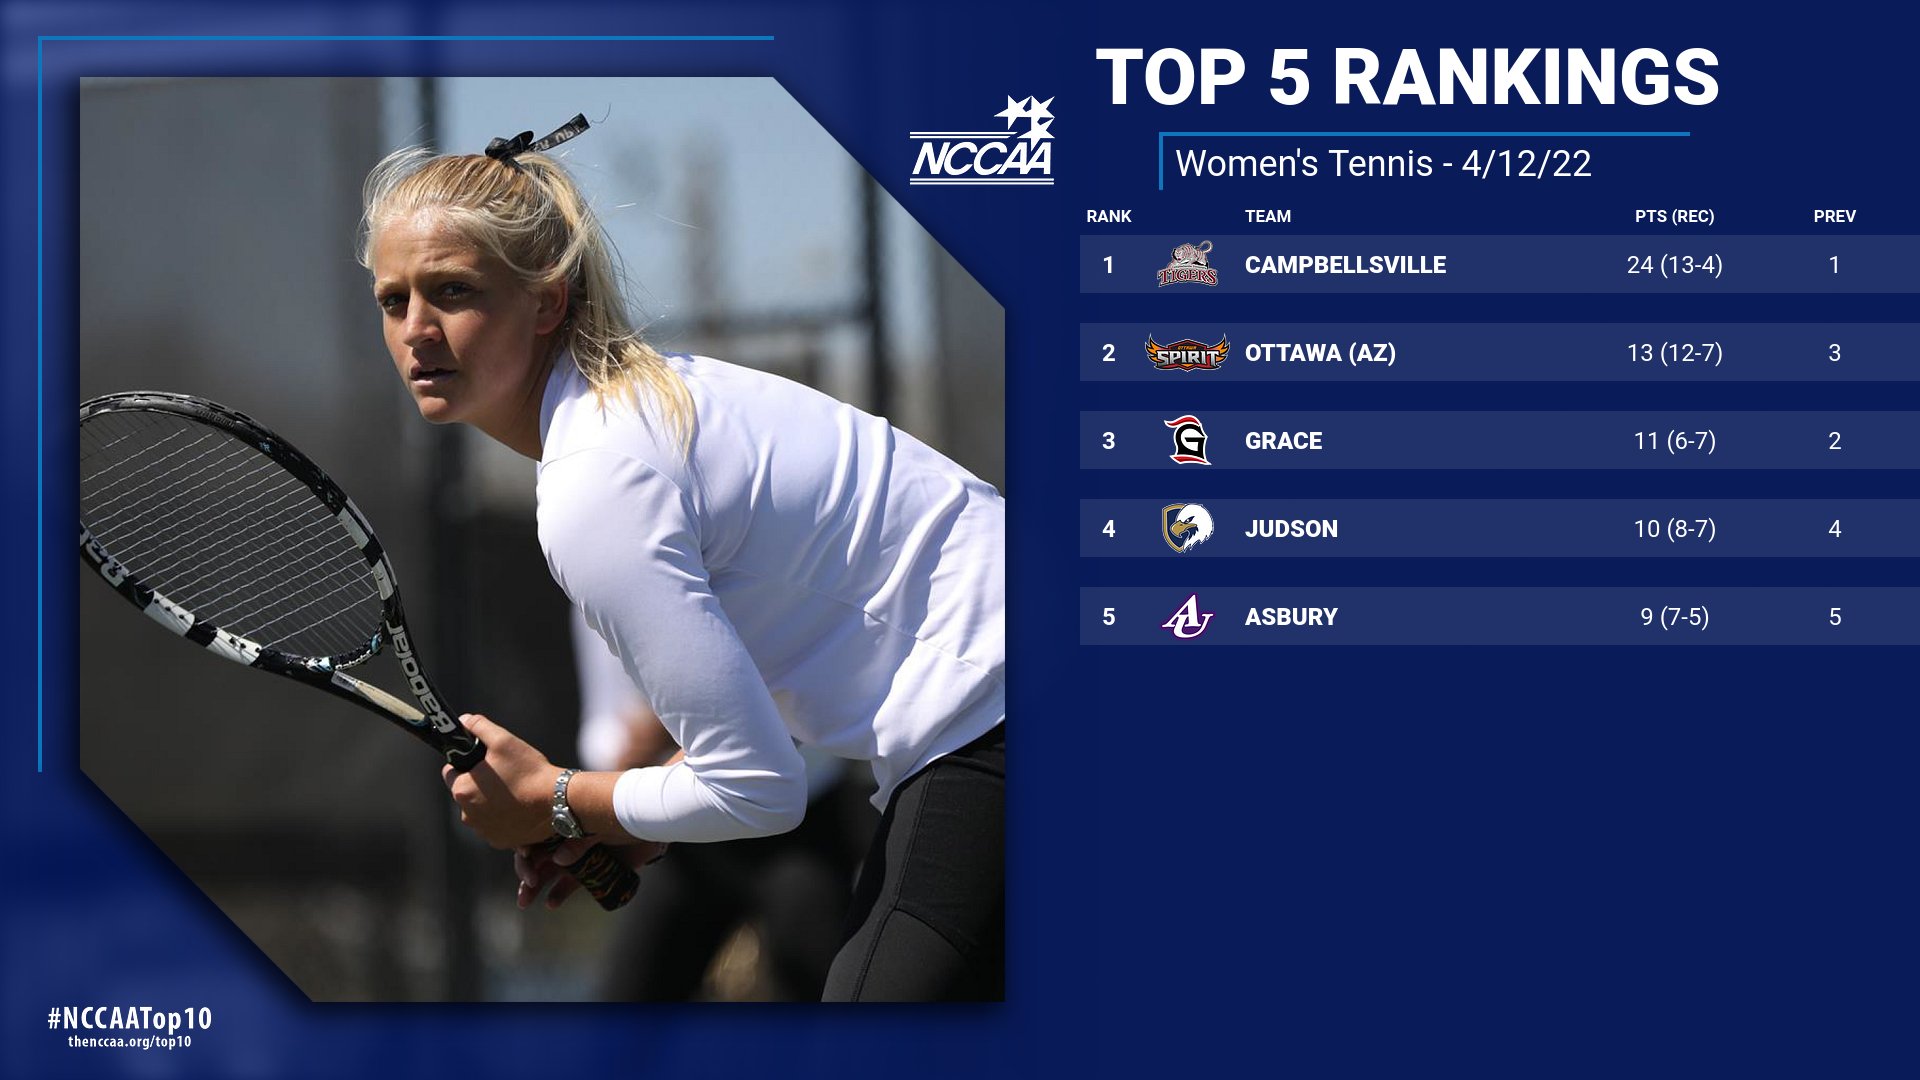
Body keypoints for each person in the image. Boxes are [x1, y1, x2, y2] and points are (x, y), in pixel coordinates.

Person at [358, 115, 1005, 1001]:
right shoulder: (644, 414)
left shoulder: (599, 476)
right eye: (393, 300)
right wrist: (632, 811)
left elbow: (760, 789)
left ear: (548, 300)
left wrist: (556, 798)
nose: (417, 329)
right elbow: (778, 699)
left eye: (453, 291)